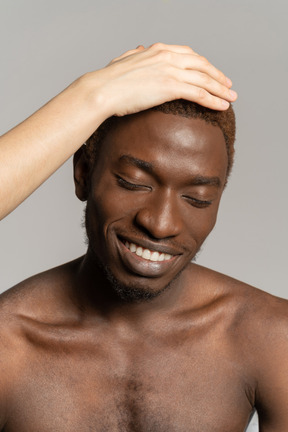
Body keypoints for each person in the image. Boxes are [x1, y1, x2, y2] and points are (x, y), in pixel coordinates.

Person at [0, 44, 287, 432]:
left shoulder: (269, 335)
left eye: (197, 199)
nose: (161, 223)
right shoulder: (9, 344)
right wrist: (93, 95)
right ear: (84, 173)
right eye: (133, 183)